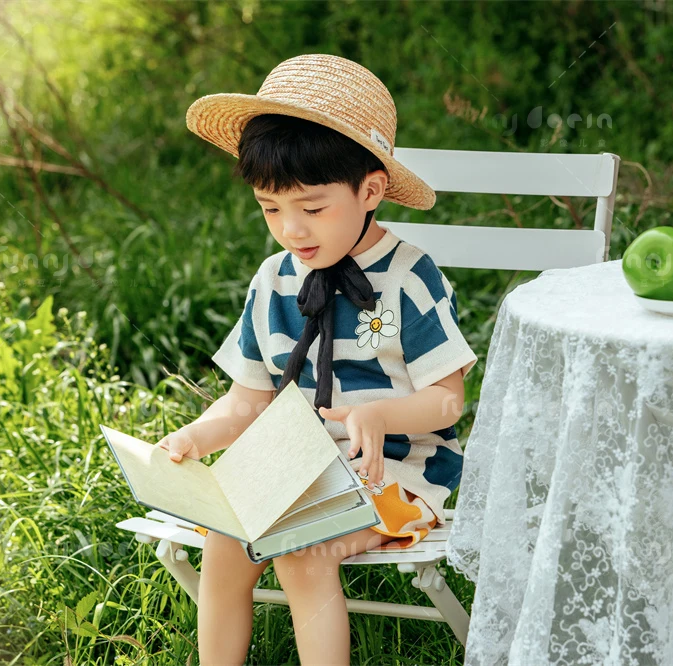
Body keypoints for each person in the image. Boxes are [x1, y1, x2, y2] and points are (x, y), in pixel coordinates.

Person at [155, 54, 477, 665]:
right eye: (270, 208)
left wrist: (379, 416)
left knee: (303, 550)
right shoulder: (273, 279)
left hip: (396, 473)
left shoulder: (410, 277)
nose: (291, 230)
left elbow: (447, 399)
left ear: (371, 190)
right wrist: (198, 436)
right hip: (292, 468)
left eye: (313, 206)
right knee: (226, 541)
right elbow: (249, 401)